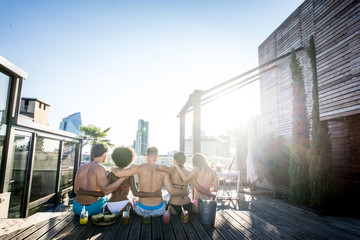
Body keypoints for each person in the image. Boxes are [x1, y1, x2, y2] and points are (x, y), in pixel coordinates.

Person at [111, 146, 188, 217]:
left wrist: (112, 169)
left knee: (134, 199)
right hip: (159, 210)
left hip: (141, 210)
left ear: (146, 156)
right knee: (165, 201)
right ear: (156, 156)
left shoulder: (138, 168)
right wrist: (185, 192)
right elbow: (172, 191)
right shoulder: (163, 172)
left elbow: (118, 173)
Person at [73, 144, 127, 216]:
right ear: (104, 154)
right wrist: (122, 178)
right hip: (91, 209)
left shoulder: (81, 167)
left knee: (103, 198)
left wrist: (84, 191)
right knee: (107, 200)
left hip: (77, 208)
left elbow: (76, 191)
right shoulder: (100, 168)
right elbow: (106, 191)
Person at [105, 146, 162, 214]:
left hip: (110, 204)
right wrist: (153, 194)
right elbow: (135, 193)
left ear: (114, 158)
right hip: (125, 204)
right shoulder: (130, 175)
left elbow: (106, 191)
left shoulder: (111, 174)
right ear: (130, 159)